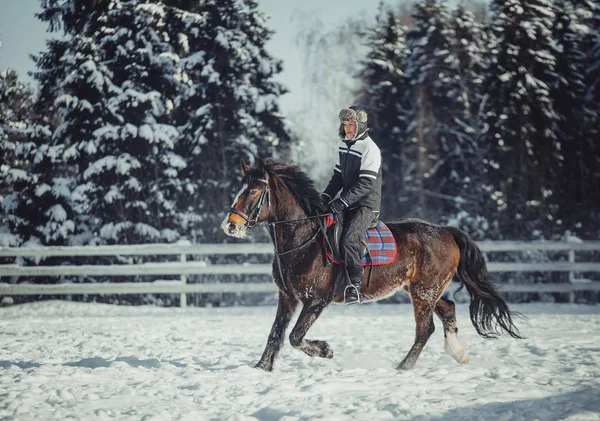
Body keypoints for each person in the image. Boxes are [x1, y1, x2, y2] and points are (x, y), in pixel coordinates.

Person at [321, 106, 382, 304]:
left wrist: (342, 201)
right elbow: (338, 177)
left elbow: (366, 184)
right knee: (328, 229)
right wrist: (325, 196)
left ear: (360, 124)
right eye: (345, 124)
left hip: (366, 206)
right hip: (349, 203)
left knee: (349, 239)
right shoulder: (344, 145)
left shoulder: (370, 149)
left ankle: (355, 285)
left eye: (351, 124)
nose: (347, 128)